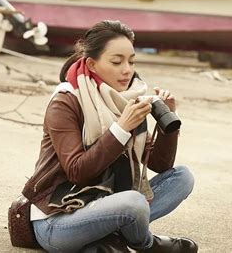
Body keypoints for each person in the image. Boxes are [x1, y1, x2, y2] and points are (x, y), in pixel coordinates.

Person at [21, 20, 197, 252]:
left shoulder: (126, 98)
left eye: (131, 61)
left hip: (109, 207)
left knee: (182, 177)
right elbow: (77, 170)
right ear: (92, 64)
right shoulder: (66, 101)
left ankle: (107, 240)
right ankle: (146, 243)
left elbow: (160, 164)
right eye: (117, 61)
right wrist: (121, 129)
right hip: (58, 219)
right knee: (133, 202)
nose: (127, 69)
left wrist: (168, 120)